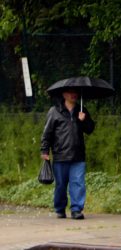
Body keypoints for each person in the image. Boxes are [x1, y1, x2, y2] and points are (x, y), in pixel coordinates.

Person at [40, 90, 95, 220]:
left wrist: (84, 120)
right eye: (70, 92)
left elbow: (90, 129)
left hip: (78, 156)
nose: (73, 94)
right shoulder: (54, 111)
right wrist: (44, 150)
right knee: (61, 185)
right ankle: (60, 208)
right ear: (64, 94)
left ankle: (76, 210)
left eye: (75, 92)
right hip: (60, 156)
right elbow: (47, 133)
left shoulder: (82, 110)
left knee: (78, 183)